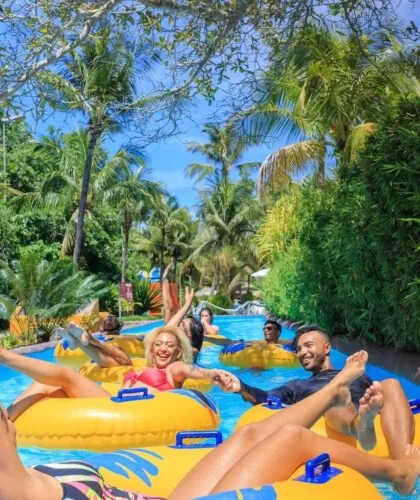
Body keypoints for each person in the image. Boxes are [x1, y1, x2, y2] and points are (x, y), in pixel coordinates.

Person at [2, 352, 420, 499]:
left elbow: (57, 376)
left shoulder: (28, 474)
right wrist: (240, 385)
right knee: (292, 438)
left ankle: (334, 392)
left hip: (166, 493)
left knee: (251, 434)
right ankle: (398, 472)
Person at [221, 324, 415, 459]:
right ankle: (359, 424)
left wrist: (375, 401)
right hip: (341, 417)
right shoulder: (298, 385)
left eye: (308, 346)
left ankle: (402, 462)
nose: (301, 353)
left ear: (327, 347)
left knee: (390, 383)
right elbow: (267, 399)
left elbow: (382, 398)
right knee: (334, 398)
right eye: (298, 349)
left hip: (364, 406)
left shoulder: (357, 374)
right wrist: (242, 387)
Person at [0, 326, 231, 422]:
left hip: (131, 411)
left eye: (169, 345)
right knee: (44, 388)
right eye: (158, 344)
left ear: (178, 351)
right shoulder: (144, 368)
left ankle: (6, 357)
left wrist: (212, 373)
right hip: (114, 403)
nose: (162, 349)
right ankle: (5, 423)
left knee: (67, 375)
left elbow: (192, 370)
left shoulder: (174, 369)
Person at [64, 286, 204, 368]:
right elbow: (168, 328)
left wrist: (187, 305)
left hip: (161, 376)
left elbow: (168, 328)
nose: (178, 325)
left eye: (183, 325)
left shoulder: (192, 351)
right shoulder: (172, 344)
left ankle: (85, 341)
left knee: (122, 360)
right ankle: (81, 341)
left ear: (191, 335)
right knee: (120, 356)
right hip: (151, 369)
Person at [203, 318, 289, 347]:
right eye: (264, 329)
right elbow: (230, 342)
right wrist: (206, 338)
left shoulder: (285, 343)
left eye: (269, 328)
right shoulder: (258, 343)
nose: (266, 330)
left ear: (278, 333)